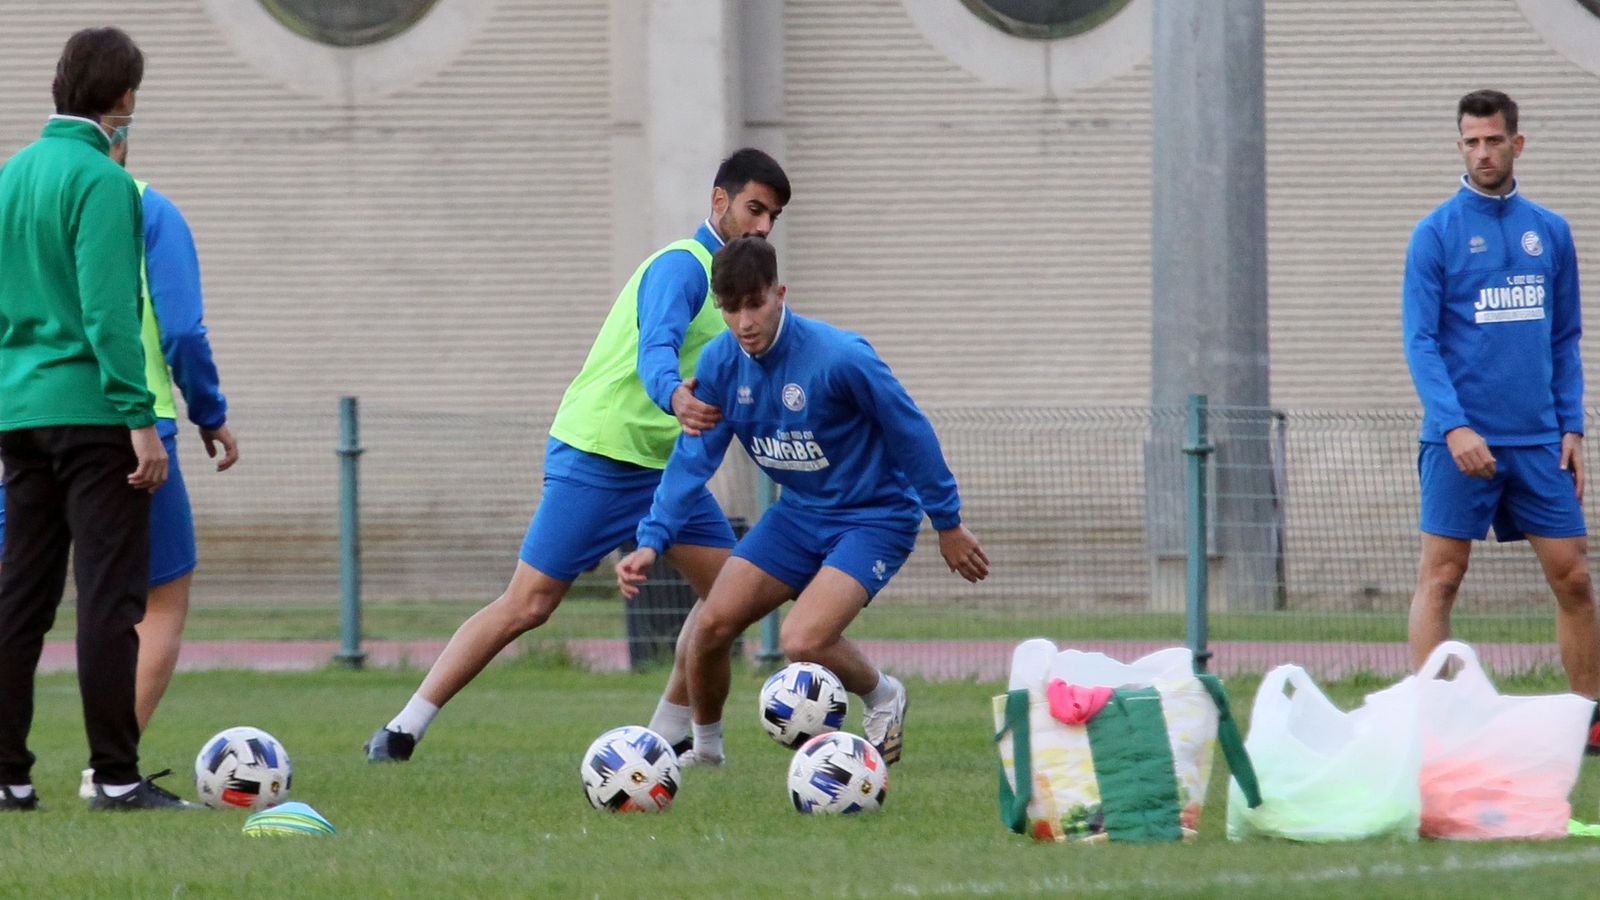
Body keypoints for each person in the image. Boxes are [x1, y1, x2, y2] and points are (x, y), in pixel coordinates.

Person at [364, 149, 791, 762]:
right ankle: (402, 729)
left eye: (771, 217)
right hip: (600, 454)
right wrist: (673, 393)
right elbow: (658, 351)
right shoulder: (682, 267)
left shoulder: (741, 288)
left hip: (663, 470)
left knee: (728, 601)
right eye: (754, 209)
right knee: (528, 605)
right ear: (719, 202)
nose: (761, 227)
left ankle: (673, 741)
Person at [616, 237, 989, 767]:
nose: (744, 320)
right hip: (797, 515)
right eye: (731, 307)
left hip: (873, 518)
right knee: (711, 624)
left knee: (803, 639)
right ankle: (706, 752)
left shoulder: (841, 357)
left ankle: (883, 694)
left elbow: (910, 431)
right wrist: (652, 540)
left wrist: (947, 521)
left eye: (755, 303)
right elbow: (693, 460)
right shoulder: (721, 362)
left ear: (779, 293)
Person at [0, 27, 195, 811]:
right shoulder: (107, 181)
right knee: (110, 601)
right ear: (122, 98)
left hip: (19, 412)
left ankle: (8, 776)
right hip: (93, 417)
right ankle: (116, 775)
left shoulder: (10, 177)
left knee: (20, 599)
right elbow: (111, 315)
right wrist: (140, 420)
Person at [1401, 88, 1600, 750]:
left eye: (1493, 140)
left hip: (1539, 439)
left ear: (1517, 144)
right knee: (1443, 577)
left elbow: (1564, 337)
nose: (1482, 152)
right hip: (1458, 440)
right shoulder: (1435, 233)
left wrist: (1572, 427)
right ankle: (1433, 721)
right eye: (1470, 141)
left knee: (1572, 576)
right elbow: (1421, 341)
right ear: (1460, 147)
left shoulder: (1552, 231)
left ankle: (1587, 724)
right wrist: (1454, 426)